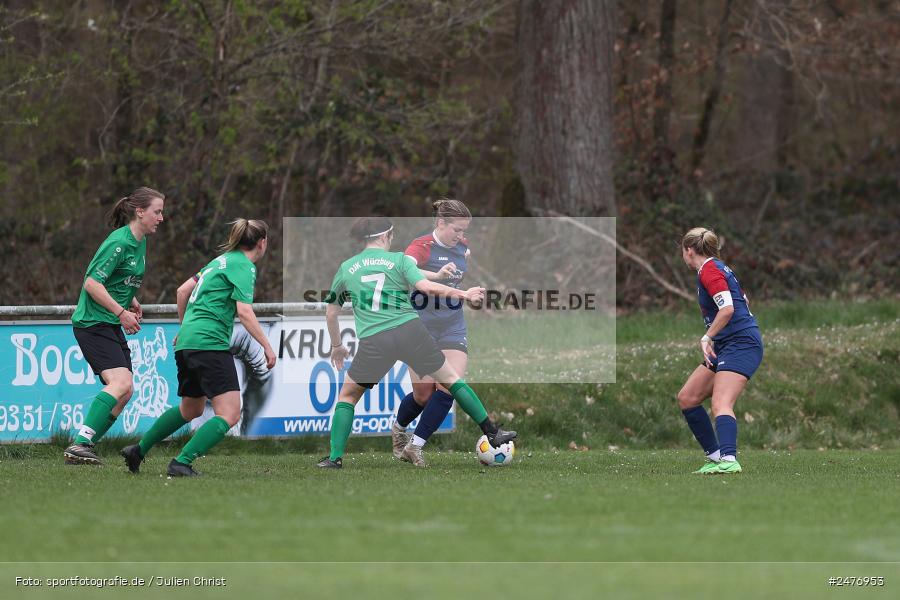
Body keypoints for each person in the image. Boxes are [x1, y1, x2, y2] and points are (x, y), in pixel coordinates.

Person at [316, 216, 516, 469]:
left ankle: (334, 458)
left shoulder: (347, 267)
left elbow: (331, 312)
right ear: (384, 236)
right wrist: (463, 293)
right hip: (410, 331)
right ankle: (492, 431)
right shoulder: (398, 260)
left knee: (347, 397)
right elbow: (425, 285)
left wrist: (337, 346)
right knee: (452, 381)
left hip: (375, 339)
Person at [120, 219, 276, 476]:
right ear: (262, 242)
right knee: (230, 413)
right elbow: (245, 312)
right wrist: (267, 347)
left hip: (188, 341)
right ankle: (182, 462)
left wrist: (185, 328)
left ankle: (139, 449)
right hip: (210, 343)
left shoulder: (219, 262)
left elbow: (182, 291)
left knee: (191, 408)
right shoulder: (244, 266)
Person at [64, 187, 166, 465]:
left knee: (126, 390)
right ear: (140, 212)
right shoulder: (118, 242)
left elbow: (116, 276)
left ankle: (83, 446)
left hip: (108, 323)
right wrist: (121, 311)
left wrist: (130, 298)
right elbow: (91, 283)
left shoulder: (140, 240)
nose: (161, 217)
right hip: (93, 323)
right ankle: (80, 444)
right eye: (157, 211)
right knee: (120, 383)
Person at [390, 199, 474, 467]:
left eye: (464, 231)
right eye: (457, 230)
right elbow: (405, 271)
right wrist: (436, 275)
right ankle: (399, 429)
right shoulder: (421, 246)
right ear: (441, 223)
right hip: (420, 324)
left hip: (451, 324)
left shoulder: (464, 249)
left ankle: (416, 445)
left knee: (450, 385)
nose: (461, 236)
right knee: (423, 394)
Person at [676, 227, 763, 474]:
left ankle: (729, 460)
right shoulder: (717, 268)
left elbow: (728, 310)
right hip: (729, 343)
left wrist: (708, 336)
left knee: (721, 402)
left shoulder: (710, 271)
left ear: (689, 251)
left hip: (741, 344)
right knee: (688, 398)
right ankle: (715, 458)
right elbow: (742, 302)